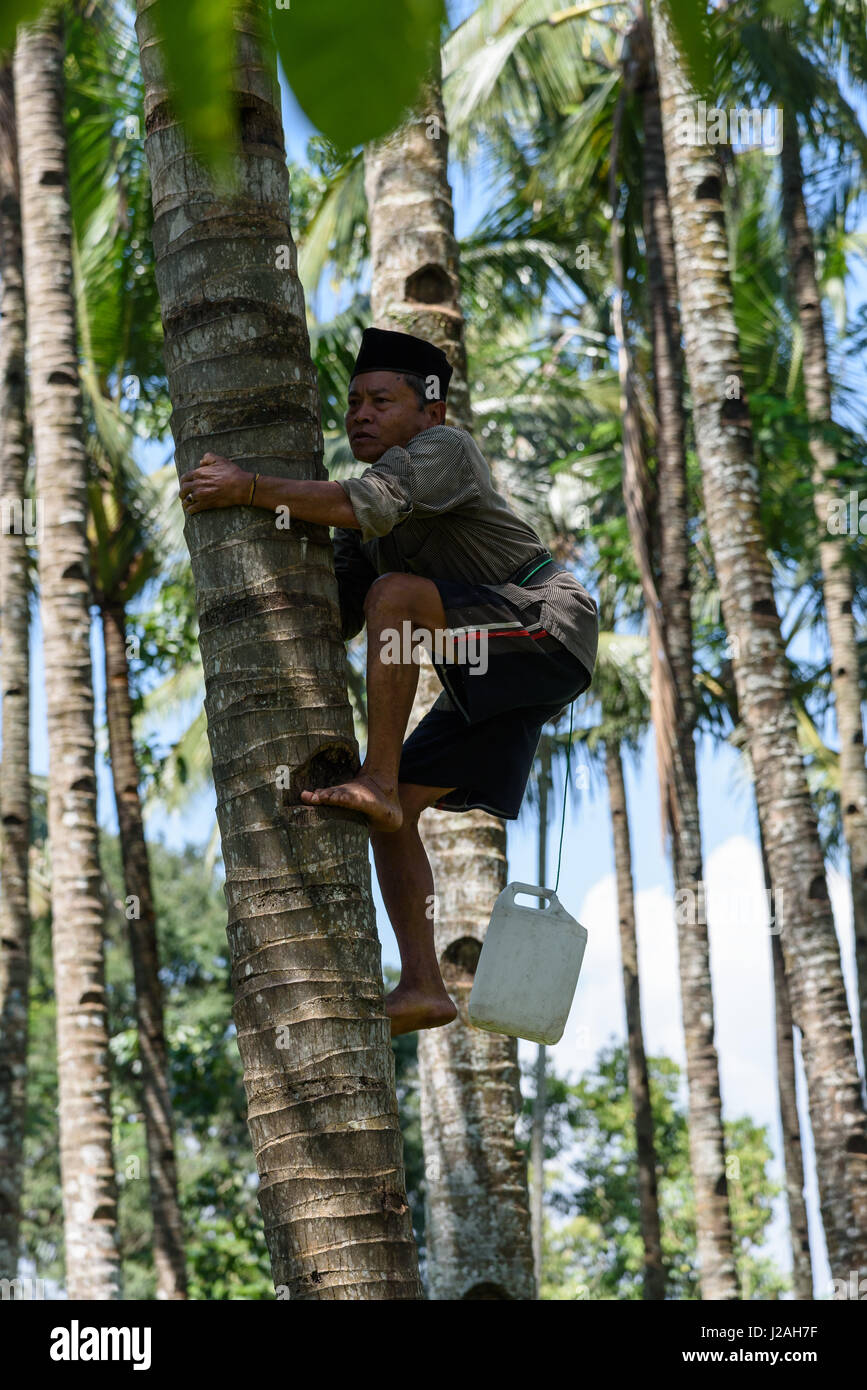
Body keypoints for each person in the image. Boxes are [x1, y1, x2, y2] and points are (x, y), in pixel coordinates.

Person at [178, 327, 598, 1036]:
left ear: (429, 412)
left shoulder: (443, 451)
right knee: (394, 810)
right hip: (496, 665)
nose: (359, 414)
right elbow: (341, 609)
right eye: (351, 403)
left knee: (398, 595)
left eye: (380, 400)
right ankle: (424, 987)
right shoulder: (360, 519)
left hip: (549, 626)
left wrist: (248, 488)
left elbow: (365, 510)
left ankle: (376, 773)